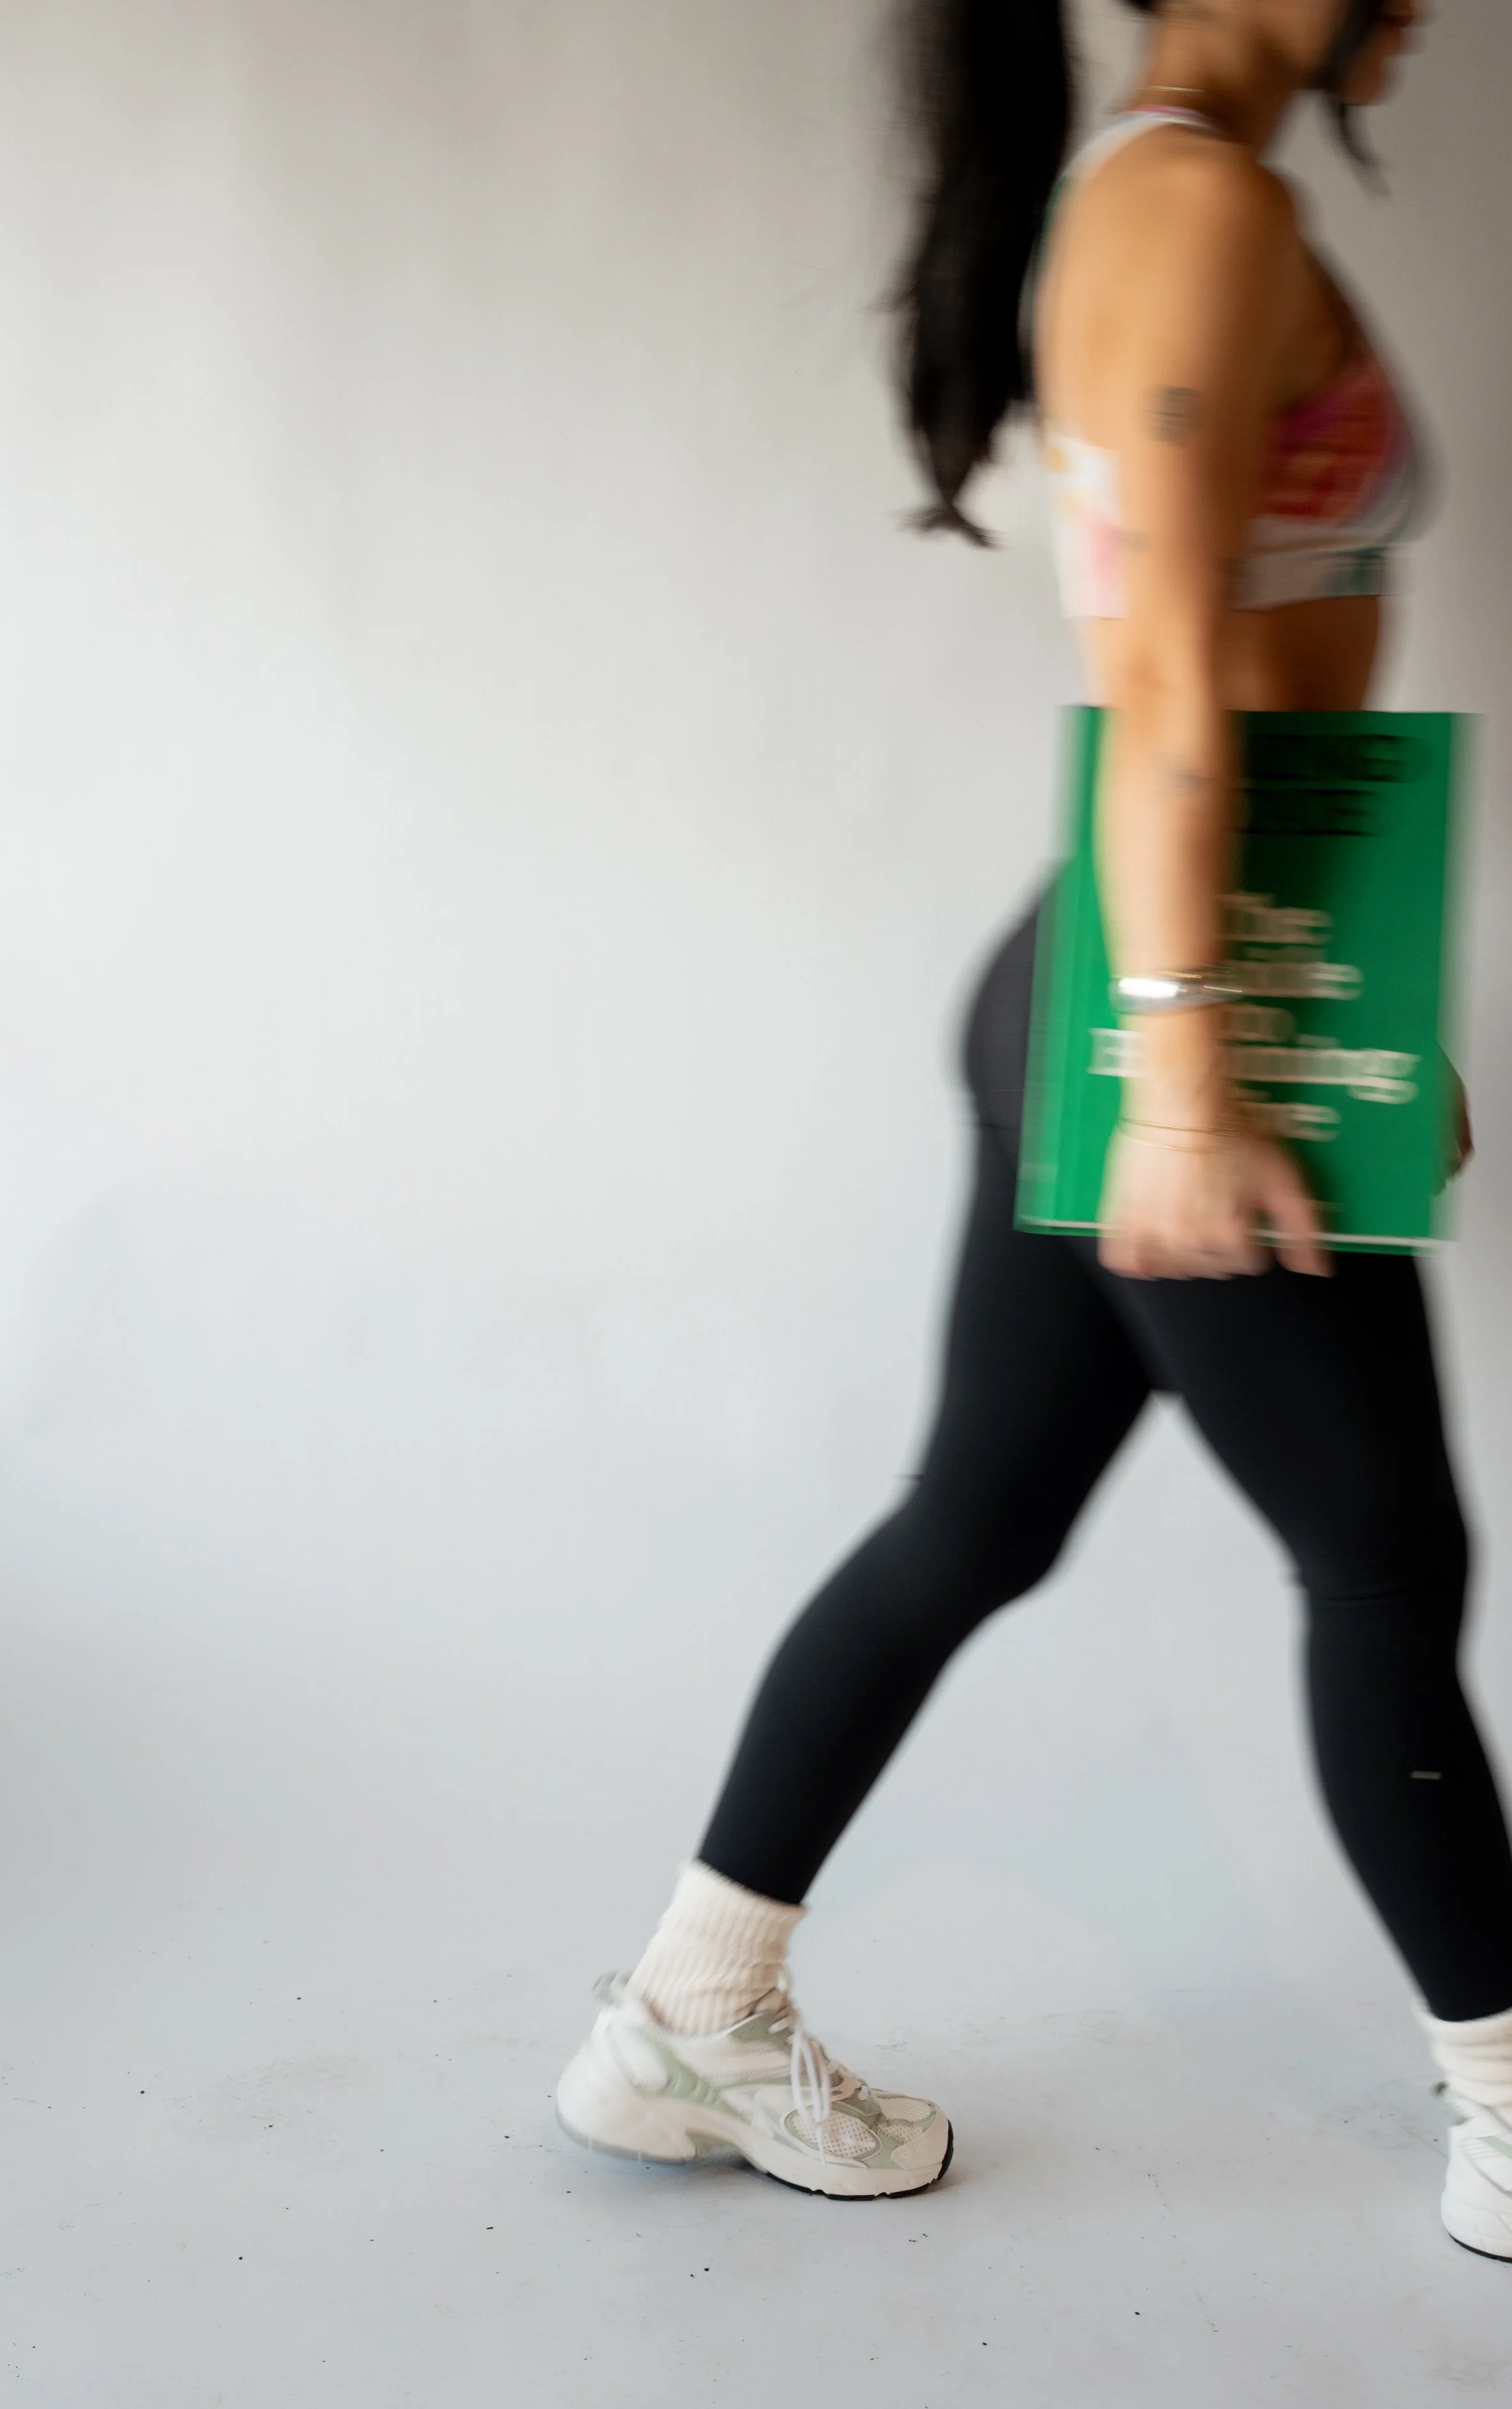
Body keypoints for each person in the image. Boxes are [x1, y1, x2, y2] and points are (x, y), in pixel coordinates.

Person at [557, 0, 1512, 2254]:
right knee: (1384, 1563)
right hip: (1149, 1013)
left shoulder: (1181, 194)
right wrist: (1184, 1071)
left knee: (974, 1518)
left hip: (1165, 978)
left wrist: (1347, 1018)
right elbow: (1162, 666)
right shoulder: (1189, 208)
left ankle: (686, 2011)